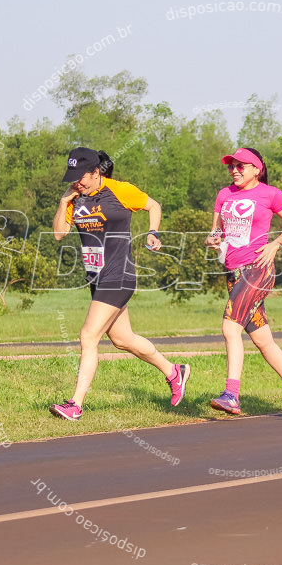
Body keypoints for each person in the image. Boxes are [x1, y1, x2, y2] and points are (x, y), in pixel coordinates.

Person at [49, 147, 190, 420]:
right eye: (72, 177)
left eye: (81, 177)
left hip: (120, 275)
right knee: (123, 339)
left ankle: (75, 405)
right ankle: (174, 372)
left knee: (88, 336)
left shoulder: (119, 190)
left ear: (95, 172)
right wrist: (63, 201)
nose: (76, 182)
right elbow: (58, 234)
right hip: (97, 278)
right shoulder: (74, 198)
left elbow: (153, 205)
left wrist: (153, 233)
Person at [204, 147, 282, 415]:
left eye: (241, 166)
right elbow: (216, 231)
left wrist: (275, 245)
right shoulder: (224, 195)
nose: (235, 170)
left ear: (256, 169)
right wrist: (213, 240)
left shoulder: (270, 193)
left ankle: (231, 394)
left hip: (258, 269)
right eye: (231, 166)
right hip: (233, 271)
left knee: (230, 329)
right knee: (263, 340)